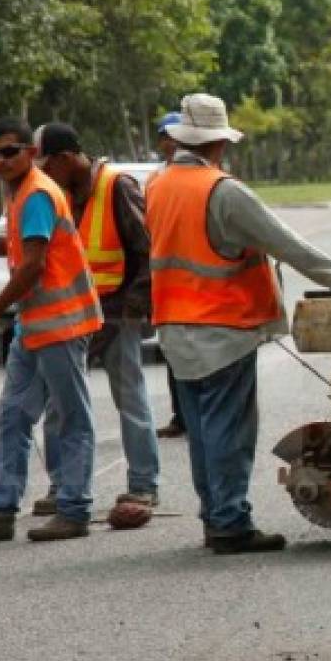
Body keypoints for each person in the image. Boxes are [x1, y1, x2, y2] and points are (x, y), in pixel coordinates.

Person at [145, 93, 331, 554]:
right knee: (229, 432)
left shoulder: (159, 186)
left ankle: (214, 514)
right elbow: (284, 242)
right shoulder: (222, 191)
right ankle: (229, 522)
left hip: (175, 328)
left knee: (201, 431)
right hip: (221, 328)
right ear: (220, 142)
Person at [0, 118, 102, 542]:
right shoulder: (18, 193)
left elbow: (33, 266)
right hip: (35, 326)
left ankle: (73, 509)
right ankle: (1, 507)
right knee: (13, 415)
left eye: (9, 151)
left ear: (30, 153)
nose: (1, 161)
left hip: (63, 324)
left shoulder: (35, 194)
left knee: (71, 417)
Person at [29, 122, 160, 514]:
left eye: (46, 165)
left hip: (119, 314)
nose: (42, 174)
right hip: (74, 315)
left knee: (131, 398)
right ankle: (63, 488)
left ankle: (143, 486)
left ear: (67, 159)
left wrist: (134, 308)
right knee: (60, 404)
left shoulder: (117, 187)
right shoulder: (58, 193)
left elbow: (148, 250)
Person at [150, 111, 186, 439]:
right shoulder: (156, 180)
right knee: (173, 354)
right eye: (165, 136)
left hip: (197, 283)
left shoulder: (206, 174)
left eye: (174, 135)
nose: (170, 142)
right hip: (167, 284)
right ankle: (181, 417)